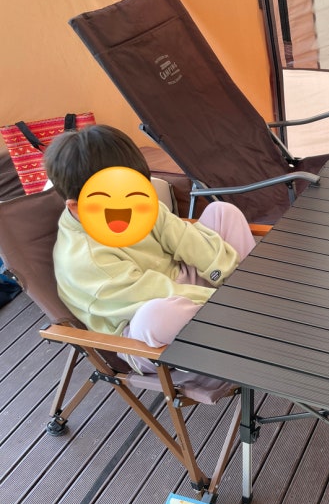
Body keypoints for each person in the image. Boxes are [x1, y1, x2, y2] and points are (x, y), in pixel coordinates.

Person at [44, 125, 256, 374]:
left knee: (223, 212)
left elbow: (182, 236)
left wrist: (227, 278)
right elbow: (154, 294)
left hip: (189, 288)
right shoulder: (87, 260)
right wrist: (228, 304)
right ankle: (243, 323)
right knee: (157, 315)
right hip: (141, 332)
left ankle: (251, 295)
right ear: (78, 208)